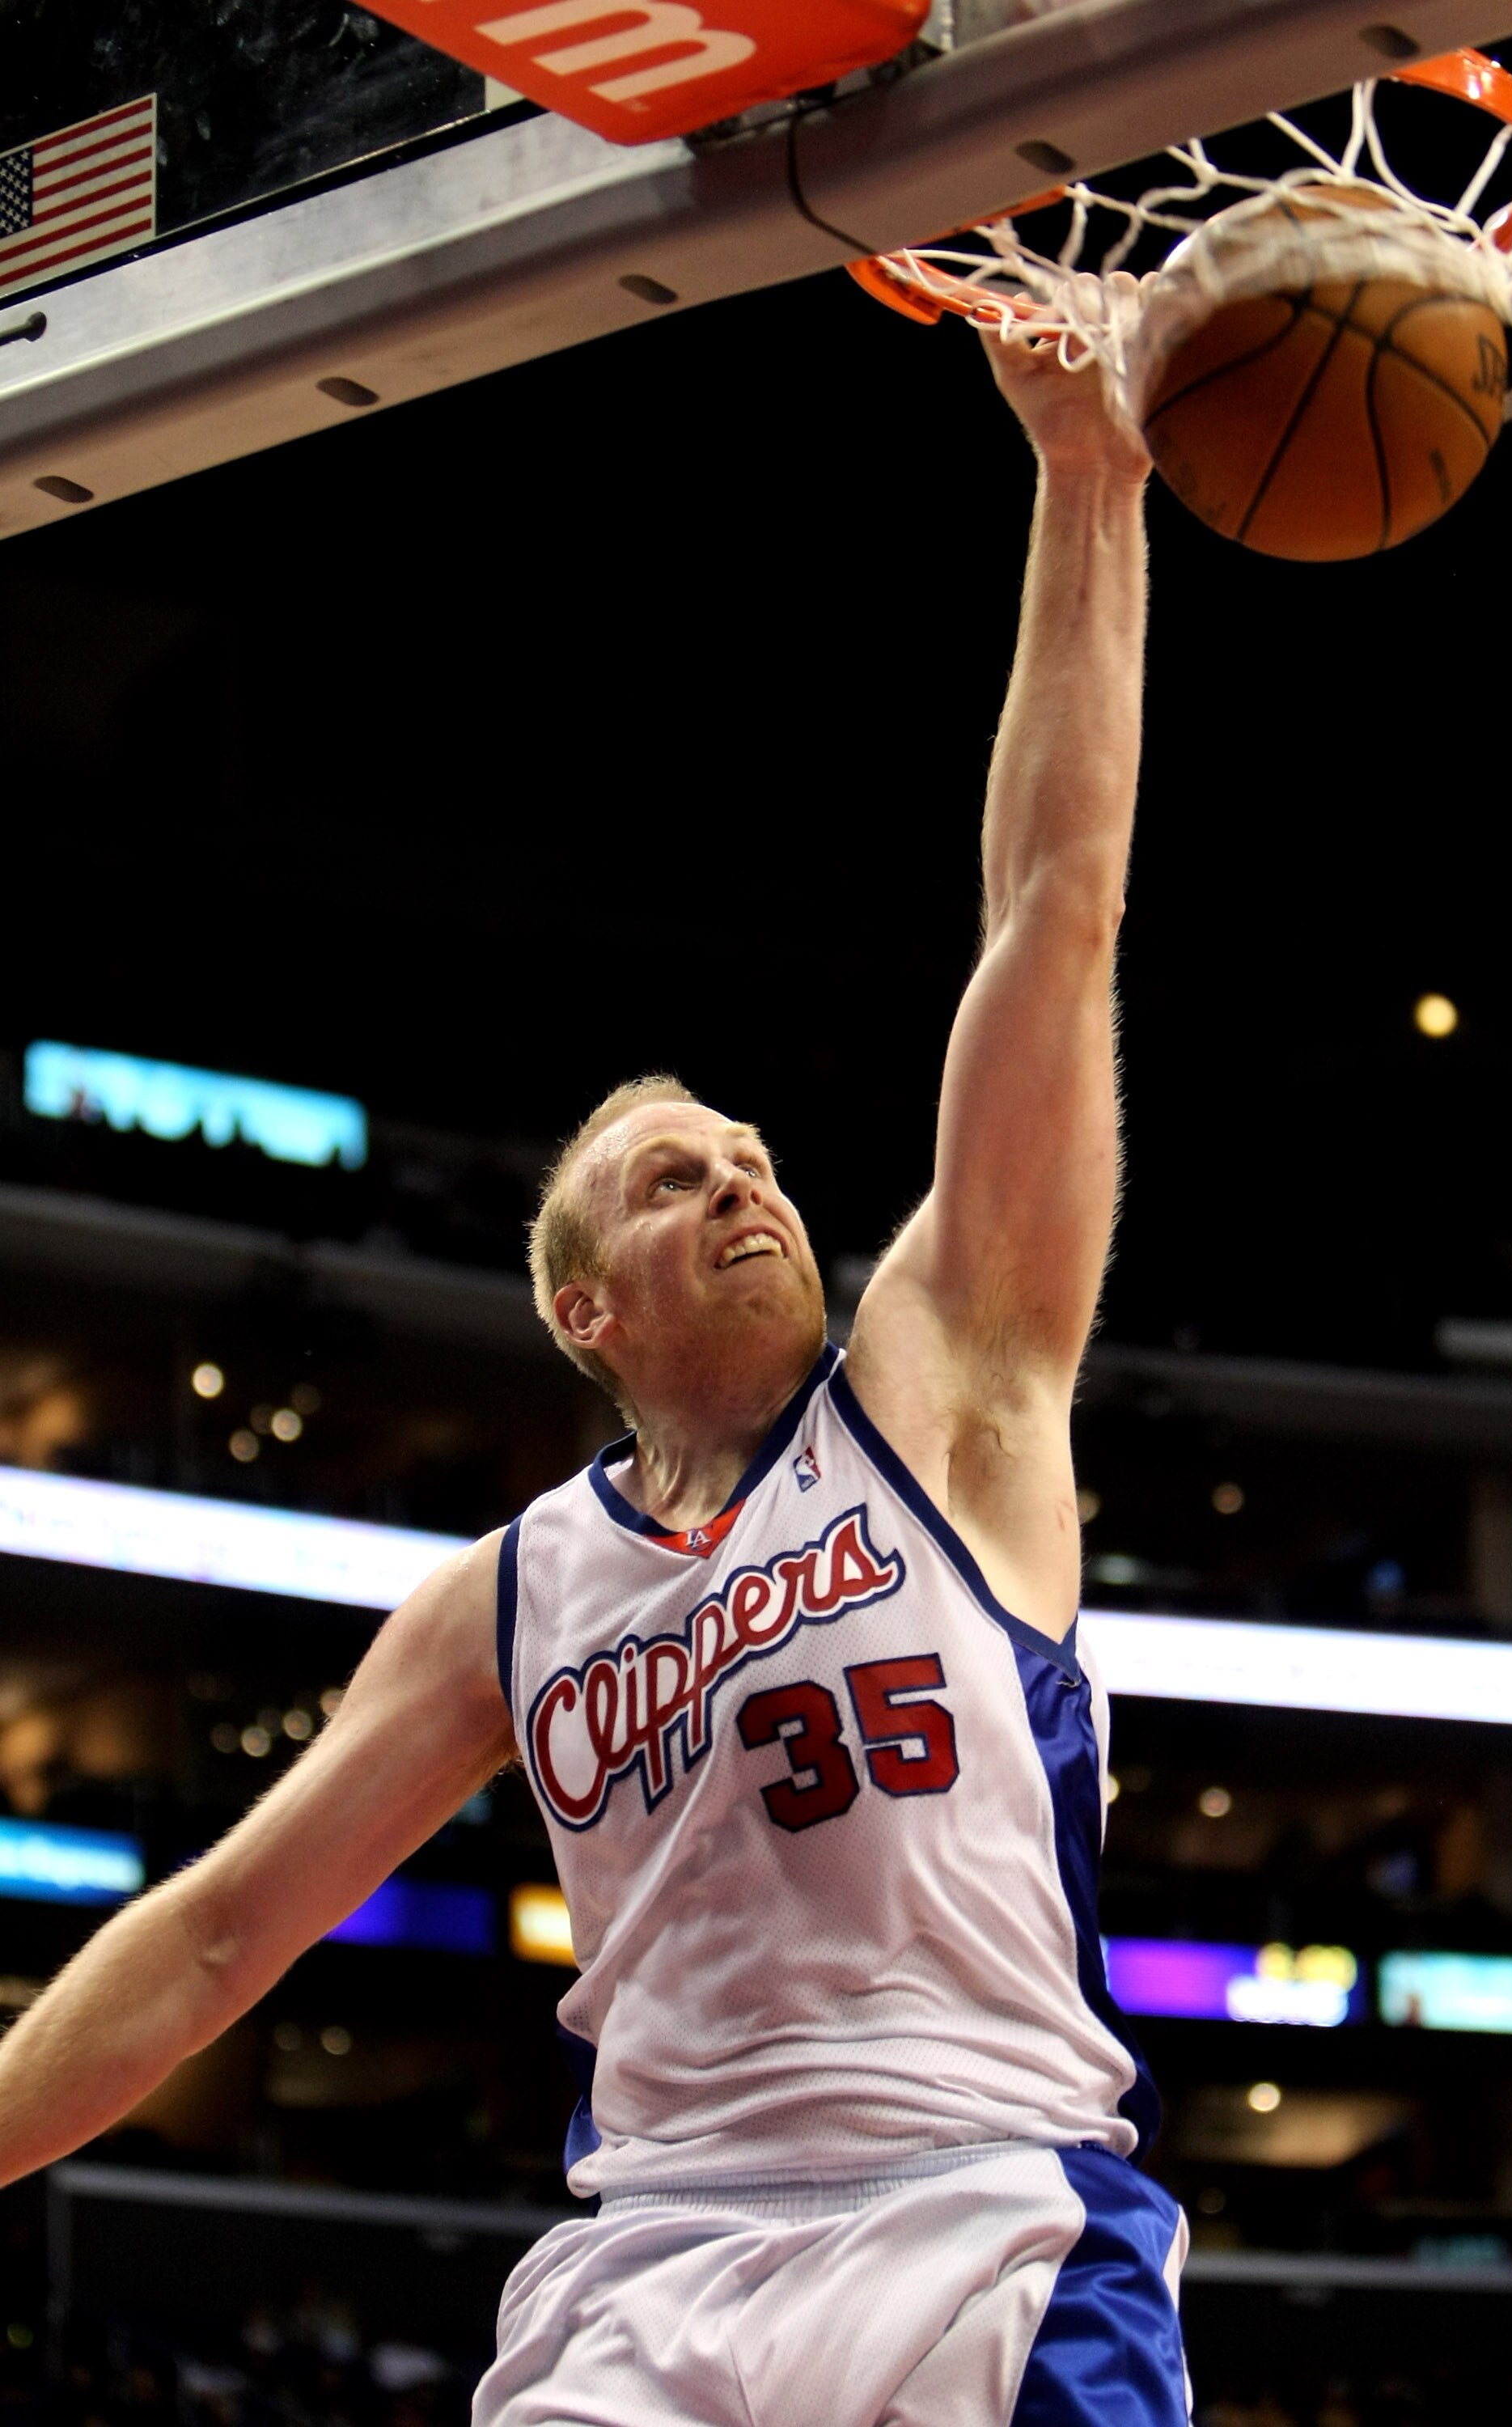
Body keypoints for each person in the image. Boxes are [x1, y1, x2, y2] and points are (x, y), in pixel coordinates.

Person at [0, 328, 1188, 2427]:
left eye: (750, 1155)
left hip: (982, 2215)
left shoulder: (945, 1376)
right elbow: (205, 1949)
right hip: (651, 2270)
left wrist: (1089, 479)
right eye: (671, 1177)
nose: (739, 1177)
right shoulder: (507, 1601)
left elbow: (1052, 917)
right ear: (584, 1309)